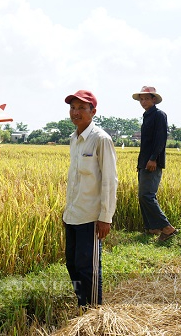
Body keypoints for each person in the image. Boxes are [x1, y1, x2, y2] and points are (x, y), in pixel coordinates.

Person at [63, 90, 118, 308]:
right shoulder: (74, 139)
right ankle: (82, 303)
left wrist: (106, 217)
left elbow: (109, 181)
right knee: (72, 265)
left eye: (81, 108)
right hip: (73, 214)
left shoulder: (101, 139)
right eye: (72, 108)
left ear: (93, 112)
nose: (75, 112)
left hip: (91, 217)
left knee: (88, 267)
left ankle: (95, 312)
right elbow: (76, 179)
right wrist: (67, 211)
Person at [132, 86, 178, 242]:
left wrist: (153, 159)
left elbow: (160, 139)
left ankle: (167, 228)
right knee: (142, 196)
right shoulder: (147, 115)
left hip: (152, 161)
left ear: (153, 99)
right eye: (141, 99)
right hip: (144, 162)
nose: (143, 101)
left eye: (146, 98)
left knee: (147, 195)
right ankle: (152, 228)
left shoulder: (159, 115)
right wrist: (141, 163)